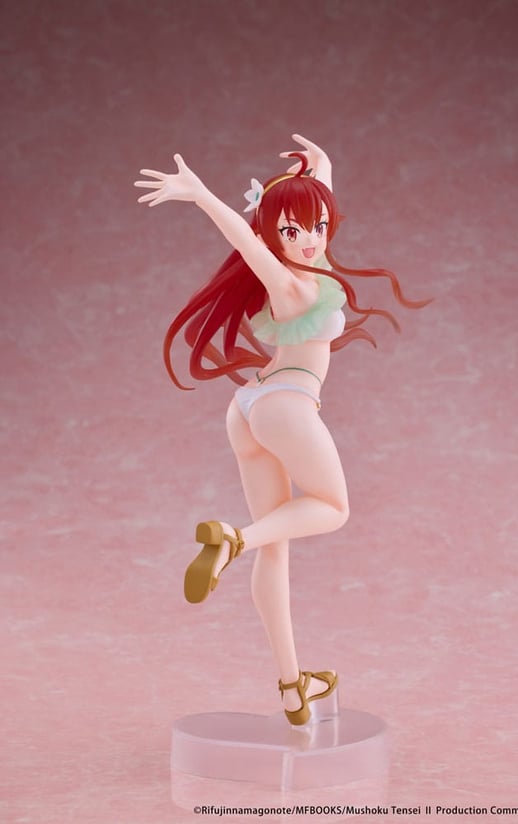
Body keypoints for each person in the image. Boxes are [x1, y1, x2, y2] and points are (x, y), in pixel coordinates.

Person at [134, 135, 429, 725]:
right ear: (274, 237)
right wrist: (203, 196)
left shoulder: (312, 264)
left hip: (248, 408)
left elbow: (315, 210)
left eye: (316, 226)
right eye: (292, 232)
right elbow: (245, 240)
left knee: (279, 548)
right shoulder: (290, 284)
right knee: (333, 508)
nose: (310, 238)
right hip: (286, 403)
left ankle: (293, 687)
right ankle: (233, 541)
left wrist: (321, 168)